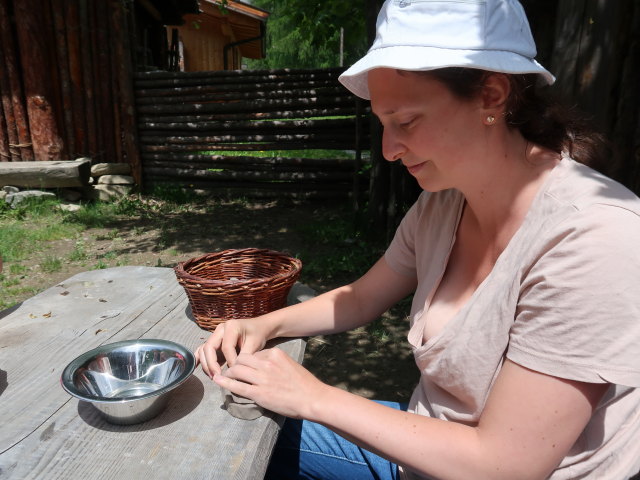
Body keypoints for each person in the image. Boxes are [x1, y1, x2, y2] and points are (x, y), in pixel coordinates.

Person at [196, 0, 640, 478]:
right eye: (383, 124)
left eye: (405, 122)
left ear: (492, 94)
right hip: (420, 452)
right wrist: (266, 325)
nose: (388, 150)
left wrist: (312, 397)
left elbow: (507, 466)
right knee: (223, 437)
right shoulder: (444, 203)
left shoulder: (595, 237)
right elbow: (361, 298)